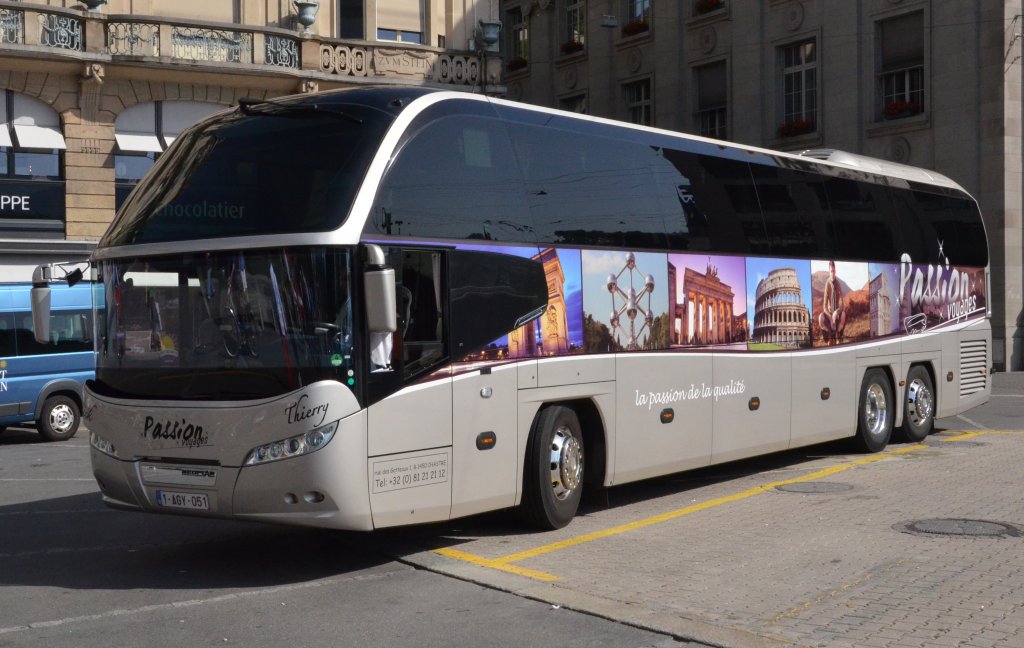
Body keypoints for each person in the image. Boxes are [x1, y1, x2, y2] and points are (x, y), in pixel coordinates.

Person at [818, 260, 846, 345]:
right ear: (829, 272)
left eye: (834, 271)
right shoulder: (827, 284)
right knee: (820, 318)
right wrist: (830, 316)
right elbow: (825, 306)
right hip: (829, 313)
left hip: (836, 313)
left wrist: (836, 312)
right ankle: (829, 335)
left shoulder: (838, 284)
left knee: (843, 315)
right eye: (831, 271)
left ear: (835, 271)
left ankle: (837, 334)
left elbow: (842, 304)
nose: (833, 273)